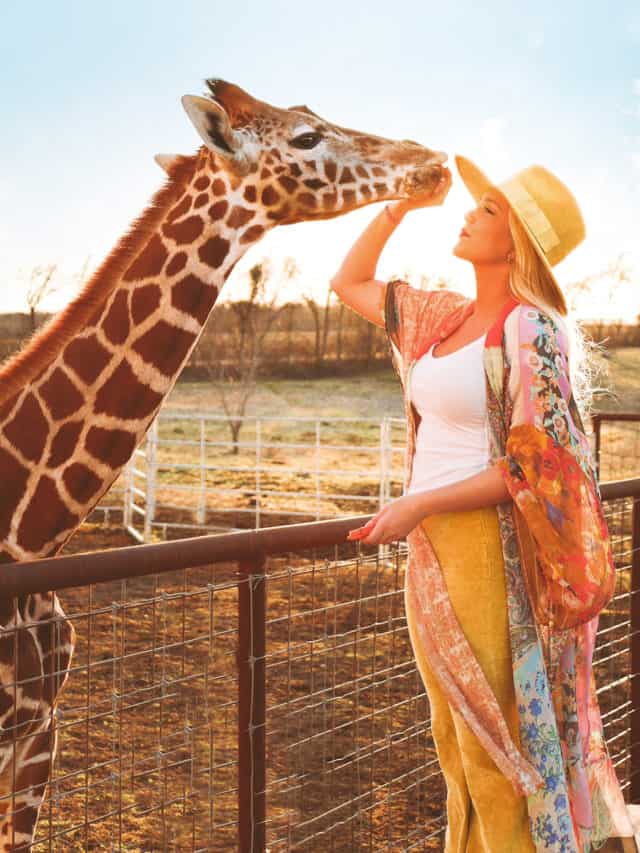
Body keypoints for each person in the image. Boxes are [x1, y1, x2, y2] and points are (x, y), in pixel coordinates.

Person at [330, 156, 638, 852]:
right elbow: (347, 281)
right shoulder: (445, 317)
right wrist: (397, 204)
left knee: (495, 748)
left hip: (485, 551)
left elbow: (539, 467)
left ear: (518, 242)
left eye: (489, 210)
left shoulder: (534, 331)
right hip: (429, 548)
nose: (469, 214)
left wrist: (419, 503)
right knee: (452, 740)